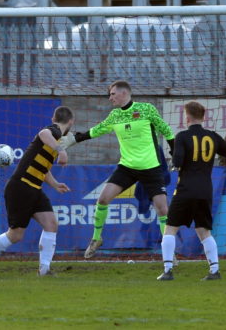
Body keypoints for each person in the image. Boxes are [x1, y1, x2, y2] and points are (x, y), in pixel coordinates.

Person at [61, 80, 175, 259]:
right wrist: (73, 140)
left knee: (162, 209)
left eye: (112, 94)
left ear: (124, 93)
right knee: (103, 199)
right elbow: (95, 131)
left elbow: (166, 130)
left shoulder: (146, 109)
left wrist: (175, 153)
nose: (110, 98)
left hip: (151, 167)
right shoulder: (114, 116)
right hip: (127, 167)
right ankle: (96, 239)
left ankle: (169, 254)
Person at [0, 106, 74, 276]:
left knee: (51, 224)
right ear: (71, 122)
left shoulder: (54, 139)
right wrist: (62, 151)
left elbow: (42, 167)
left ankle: (44, 270)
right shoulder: (54, 132)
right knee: (15, 235)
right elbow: (44, 133)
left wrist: (55, 184)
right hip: (20, 187)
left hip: (34, 188)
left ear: (54, 118)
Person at [157, 101, 226, 281]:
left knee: (170, 229)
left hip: (185, 189)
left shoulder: (182, 136)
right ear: (203, 117)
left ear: (188, 117)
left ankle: (168, 270)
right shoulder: (212, 136)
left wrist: (176, 156)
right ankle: (214, 270)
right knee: (203, 230)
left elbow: (177, 161)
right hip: (205, 189)